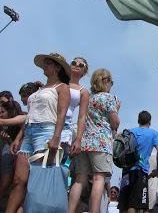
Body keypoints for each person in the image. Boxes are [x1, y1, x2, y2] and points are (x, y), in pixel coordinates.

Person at [5, 52, 71, 213]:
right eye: (45, 63)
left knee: (39, 179)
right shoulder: (39, 89)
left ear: (57, 68)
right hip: (29, 133)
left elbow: (62, 113)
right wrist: (19, 138)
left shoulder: (62, 87)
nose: (45, 65)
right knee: (19, 180)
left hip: (46, 132)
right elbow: (30, 115)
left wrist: (56, 137)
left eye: (49, 63)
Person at [68, 68, 120, 213]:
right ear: (106, 81)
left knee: (79, 180)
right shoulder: (109, 98)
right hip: (101, 143)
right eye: (111, 81)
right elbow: (115, 123)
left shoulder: (88, 98)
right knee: (98, 179)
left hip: (84, 142)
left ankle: (70, 210)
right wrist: (117, 109)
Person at [118, 110, 158, 213]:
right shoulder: (154, 134)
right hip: (140, 172)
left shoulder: (130, 131)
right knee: (134, 204)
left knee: (124, 204)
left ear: (138, 120)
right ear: (149, 122)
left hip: (126, 171)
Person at [62, 57, 90, 160]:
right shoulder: (60, 83)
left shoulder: (83, 92)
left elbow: (82, 116)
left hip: (65, 127)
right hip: (49, 122)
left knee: (57, 163)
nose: (77, 65)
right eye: (74, 62)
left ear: (84, 72)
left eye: (81, 65)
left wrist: (78, 139)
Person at [0, 101, 24, 204]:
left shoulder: (18, 124)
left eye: (2, 112)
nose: (0, 114)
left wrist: (9, 140)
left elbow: (14, 147)